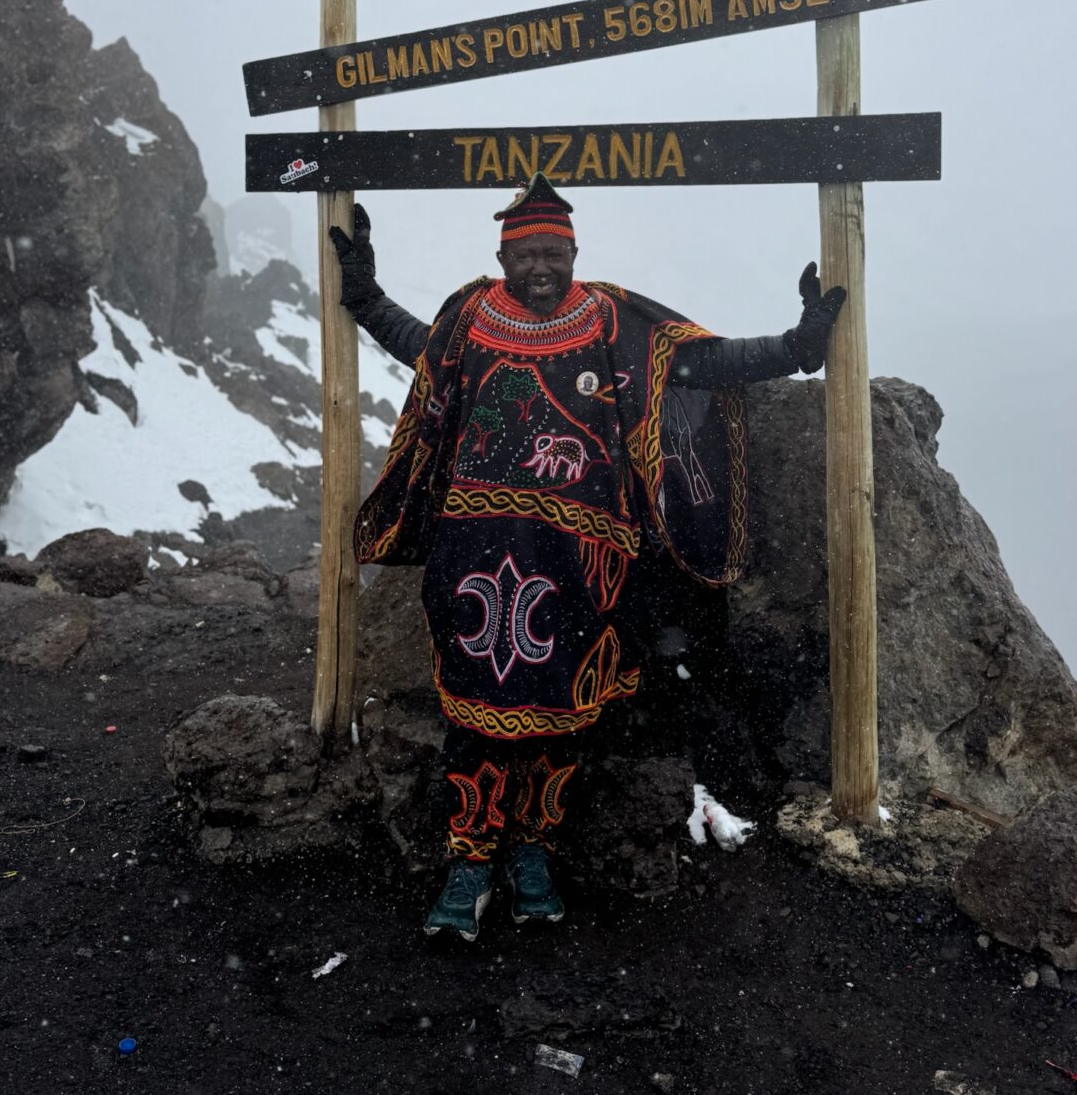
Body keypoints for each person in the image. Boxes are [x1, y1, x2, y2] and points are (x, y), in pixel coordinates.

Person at [330, 174, 844, 942]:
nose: (542, 268)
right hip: (472, 554)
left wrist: (798, 347)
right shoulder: (470, 315)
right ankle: (470, 862)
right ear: (503, 256)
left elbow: (701, 364)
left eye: (555, 254)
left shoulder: (612, 319)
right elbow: (418, 349)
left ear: (574, 252)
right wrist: (365, 295)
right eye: (527, 255)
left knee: (561, 714)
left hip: (584, 563)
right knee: (476, 716)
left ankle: (532, 853)